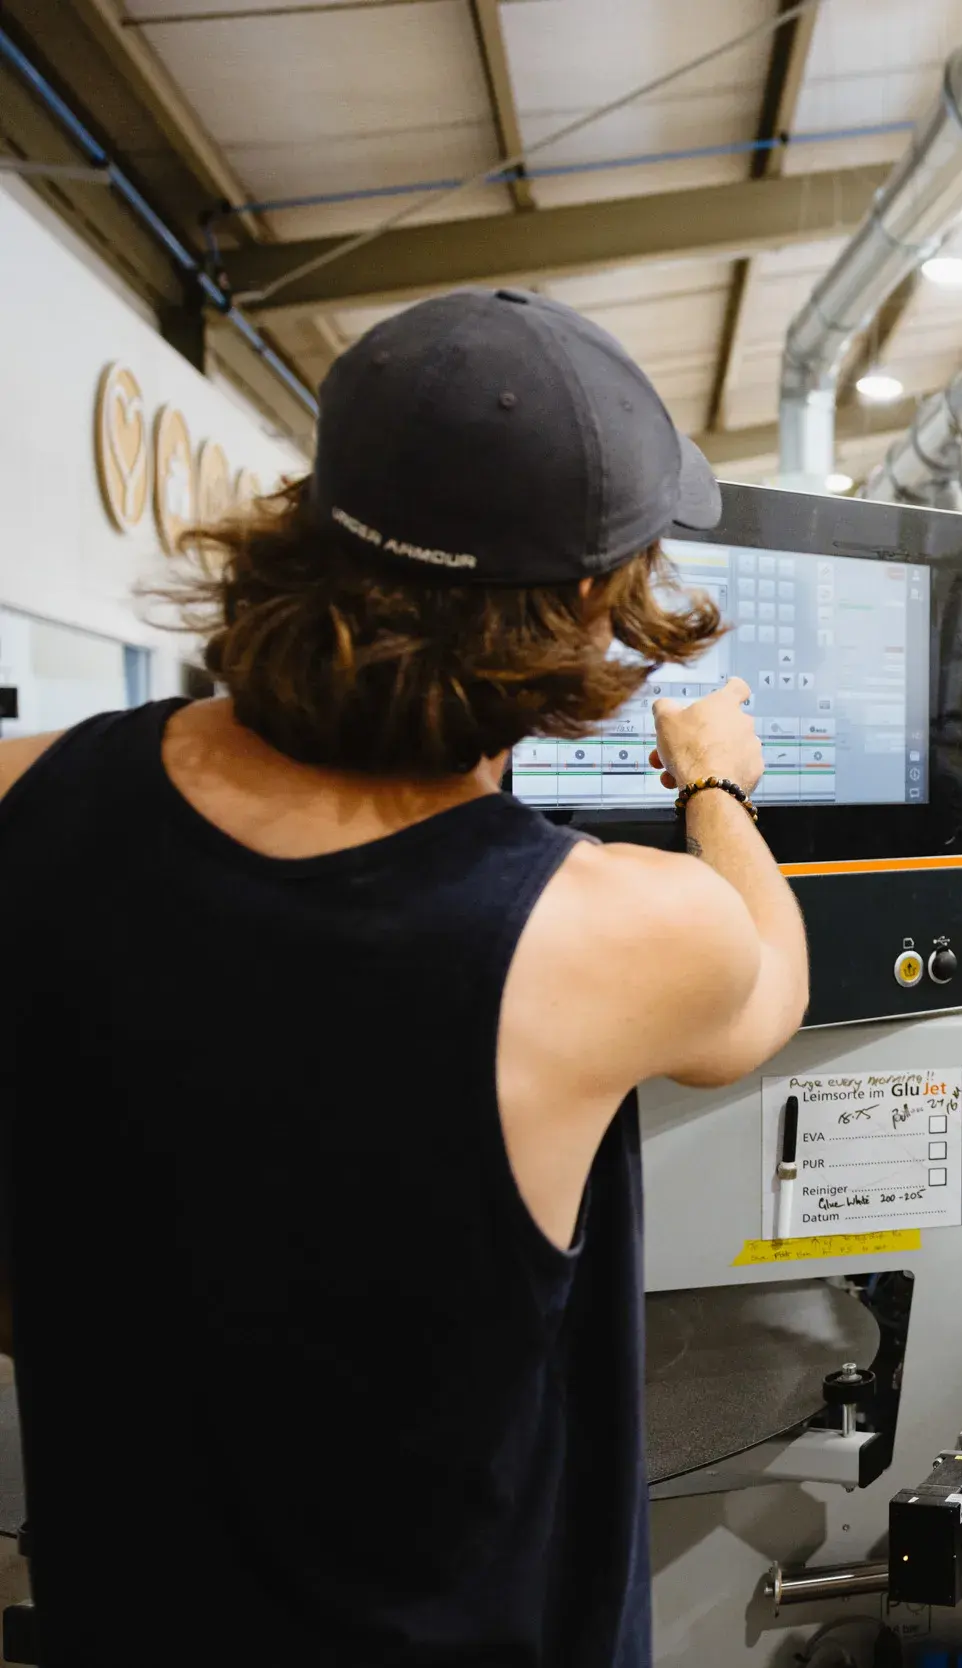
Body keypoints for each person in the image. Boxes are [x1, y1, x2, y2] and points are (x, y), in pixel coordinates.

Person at [0, 289, 809, 1664]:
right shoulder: (607, 928)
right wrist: (717, 786)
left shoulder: (29, 797)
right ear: (577, 609)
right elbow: (762, 995)